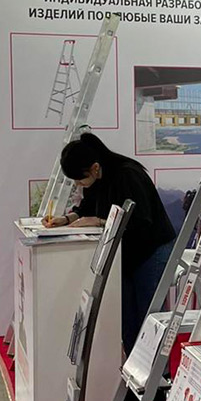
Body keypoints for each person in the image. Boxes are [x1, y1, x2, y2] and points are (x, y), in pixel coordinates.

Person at [43, 132, 176, 356]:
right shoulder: (98, 178)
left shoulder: (128, 175)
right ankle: (133, 367)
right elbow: (88, 205)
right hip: (126, 253)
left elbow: (141, 221)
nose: (78, 184)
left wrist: (100, 221)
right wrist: (66, 219)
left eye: (79, 180)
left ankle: (157, 372)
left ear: (94, 168)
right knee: (127, 317)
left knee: (149, 316)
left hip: (151, 250)